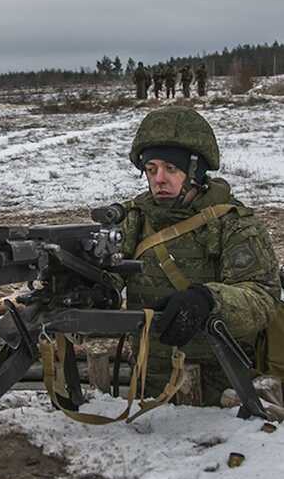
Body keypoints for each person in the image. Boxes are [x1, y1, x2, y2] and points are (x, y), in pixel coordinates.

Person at [118, 106, 282, 405]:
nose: (159, 179)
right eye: (151, 169)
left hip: (222, 390)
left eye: (171, 169)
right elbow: (107, 275)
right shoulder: (133, 219)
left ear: (196, 173)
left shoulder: (233, 223)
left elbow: (263, 299)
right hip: (148, 385)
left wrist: (208, 300)